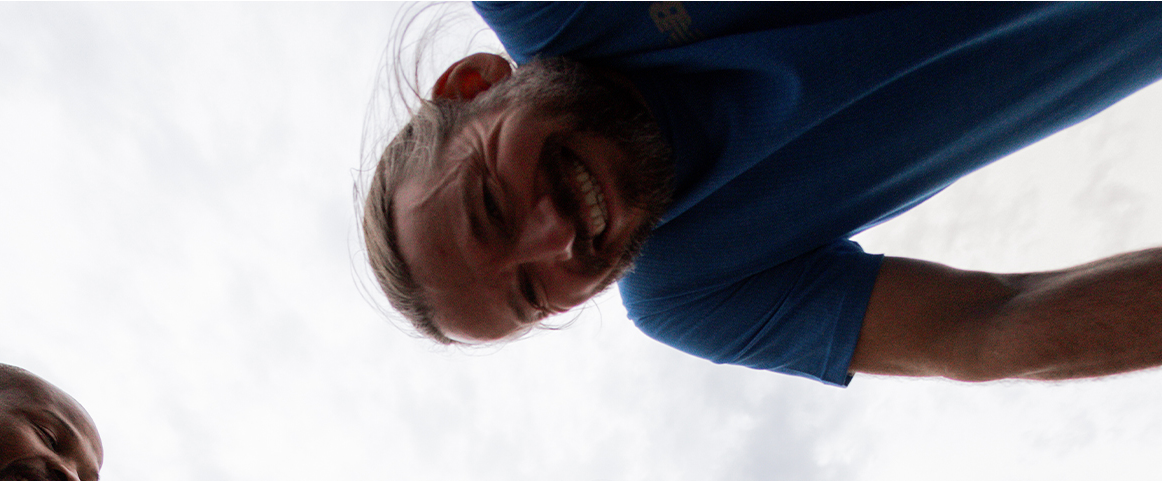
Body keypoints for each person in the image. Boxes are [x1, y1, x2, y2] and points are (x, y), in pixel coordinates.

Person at [361, 6, 1162, 383]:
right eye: (534, 292)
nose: (553, 238)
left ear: (472, 85)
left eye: (491, 207)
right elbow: (987, 329)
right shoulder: (696, 293)